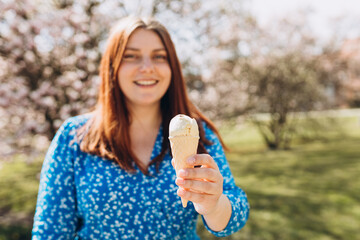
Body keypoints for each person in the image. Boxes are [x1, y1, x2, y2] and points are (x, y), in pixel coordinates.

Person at [31, 16, 249, 240]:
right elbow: (50, 232)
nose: (147, 68)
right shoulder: (74, 137)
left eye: (159, 56)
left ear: (172, 66)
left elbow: (235, 213)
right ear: (112, 66)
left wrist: (214, 205)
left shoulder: (197, 132)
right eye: (131, 56)